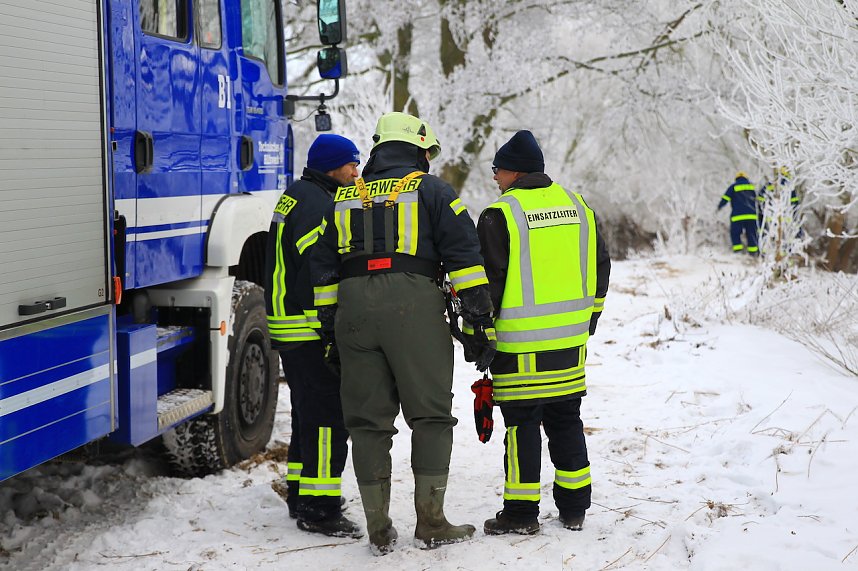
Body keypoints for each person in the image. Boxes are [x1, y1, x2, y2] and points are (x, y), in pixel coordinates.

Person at [309, 112, 495, 555]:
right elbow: (464, 256)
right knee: (430, 416)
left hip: (353, 309)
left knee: (367, 422)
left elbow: (322, 268)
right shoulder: (433, 191)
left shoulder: (342, 197)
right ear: (418, 150)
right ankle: (431, 522)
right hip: (413, 305)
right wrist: (479, 322)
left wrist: (330, 331)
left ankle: (378, 526)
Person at [474, 130, 611, 535]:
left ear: (514, 172)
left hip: (518, 345)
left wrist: (479, 335)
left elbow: (489, 283)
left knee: (521, 425)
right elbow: (601, 265)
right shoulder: (578, 205)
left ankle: (520, 514)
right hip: (570, 343)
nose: (494, 177)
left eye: (497, 169)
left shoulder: (500, 214)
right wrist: (590, 320)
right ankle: (574, 509)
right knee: (566, 420)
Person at [264, 134, 363, 538]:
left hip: (290, 326)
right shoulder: (318, 204)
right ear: (332, 167)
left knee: (307, 413)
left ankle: (301, 495)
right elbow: (314, 271)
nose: (356, 172)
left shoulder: (298, 194)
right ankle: (321, 510)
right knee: (328, 418)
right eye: (351, 164)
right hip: (305, 328)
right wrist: (328, 330)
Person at [717, 172, 759, 254]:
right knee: (752, 234)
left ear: (736, 179)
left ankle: (738, 251)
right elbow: (759, 199)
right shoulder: (752, 187)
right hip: (751, 216)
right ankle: (753, 253)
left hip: (737, 216)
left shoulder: (733, 187)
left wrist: (719, 207)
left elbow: (725, 198)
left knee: (735, 233)